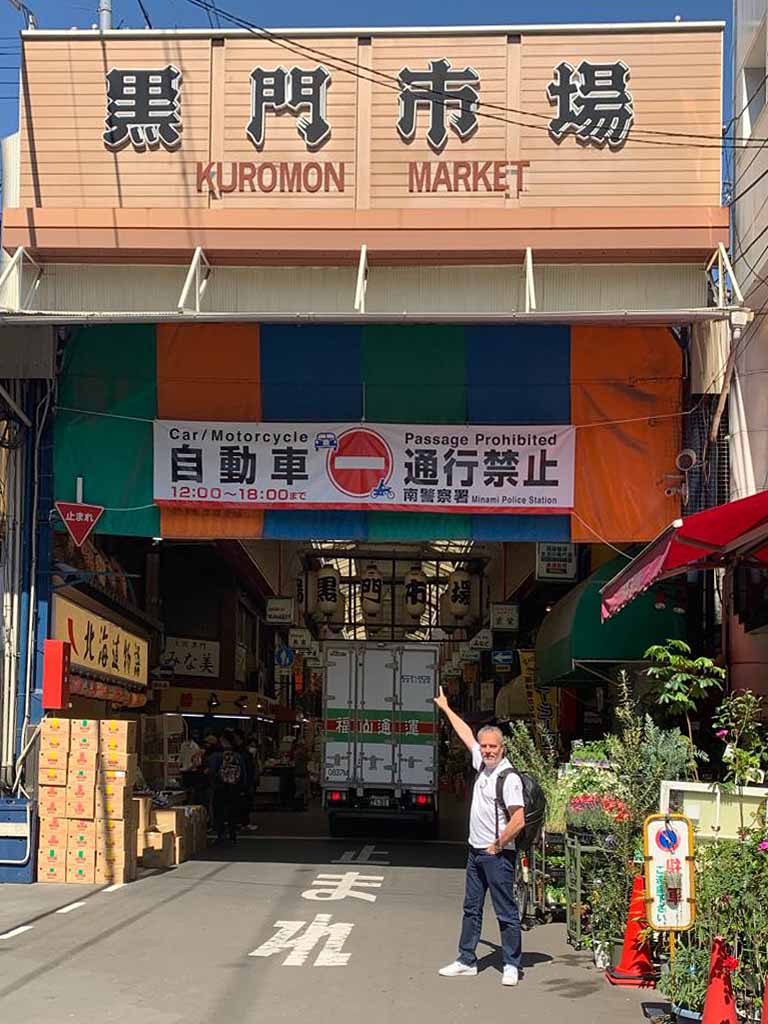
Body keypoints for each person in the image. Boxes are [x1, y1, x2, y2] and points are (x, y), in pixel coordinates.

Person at [433, 686, 525, 987]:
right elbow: (466, 735)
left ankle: (512, 964)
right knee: (471, 908)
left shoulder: (507, 777)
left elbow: (519, 819)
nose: (486, 750)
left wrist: (497, 845)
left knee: (505, 910)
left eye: (492, 747)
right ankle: (466, 959)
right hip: (475, 853)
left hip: (497, 855)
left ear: (503, 749)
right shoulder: (482, 766)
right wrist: (446, 709)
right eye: (484, 746)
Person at [207, 731, 249, 844]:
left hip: (219, 788)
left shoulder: (216, 756)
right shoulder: (237, 756)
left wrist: (212, 782)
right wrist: (242, 788)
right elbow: (243, 774)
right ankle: (232, 835)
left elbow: (211, 771)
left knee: (219, 812)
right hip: (234, 788)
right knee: (232, 812)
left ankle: (221, 835)